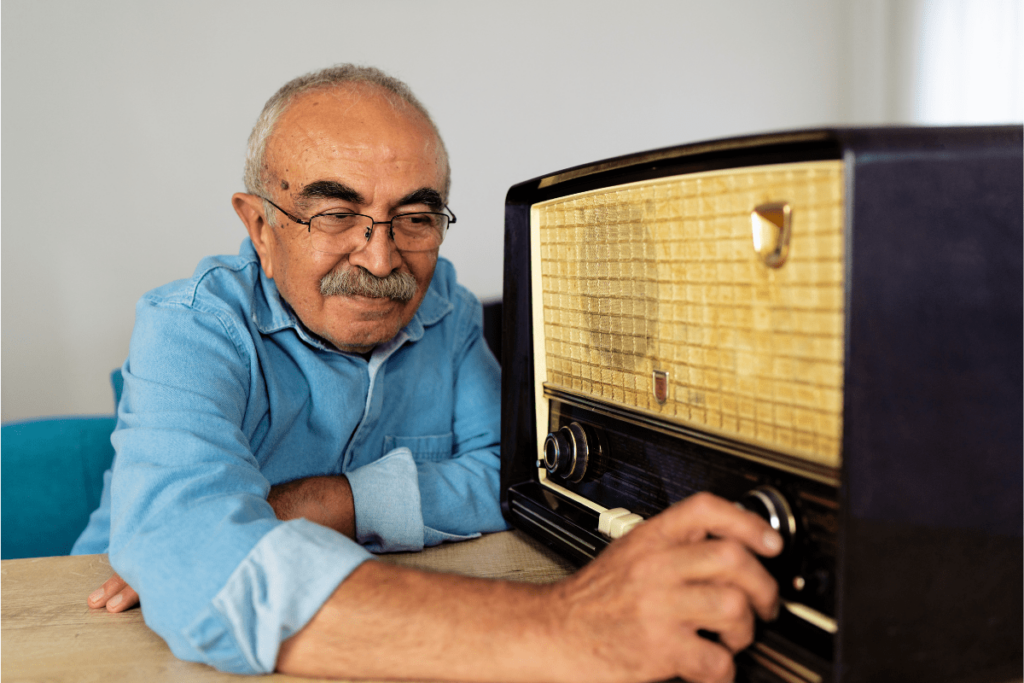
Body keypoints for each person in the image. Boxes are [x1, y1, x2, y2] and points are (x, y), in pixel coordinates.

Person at [74, 64, 782, 683]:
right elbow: (198, 564)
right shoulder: (189, 325)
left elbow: (514, 475)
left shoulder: (448, 308)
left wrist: (331, 502)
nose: (382, 260)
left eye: (414, 217)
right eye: (335, 212)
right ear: (259, 225)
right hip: (107, 631)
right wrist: (569, 625)